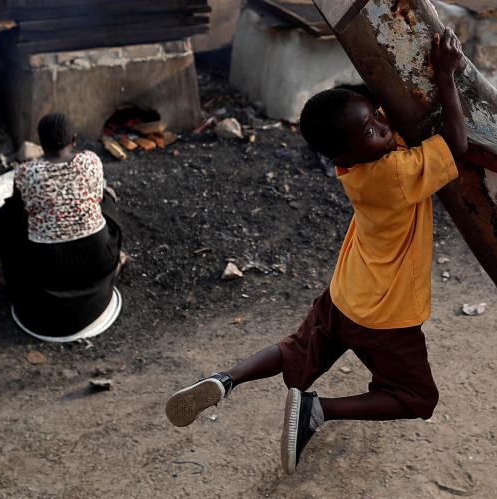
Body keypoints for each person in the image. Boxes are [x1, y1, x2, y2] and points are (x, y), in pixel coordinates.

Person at [165, 30, 468, 474]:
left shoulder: (354, 164)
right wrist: (446, 76)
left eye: (379, 119)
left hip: (345, 294)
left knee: (295, 350)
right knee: (417, 398)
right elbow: (457, 147)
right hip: (385, 314)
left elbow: (378, 123)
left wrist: (376, 117)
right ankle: (319, 410)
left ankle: (225, 379)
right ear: (347, 150)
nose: (384, 127)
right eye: (372, 129)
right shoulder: (396, 175)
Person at [0, 112, 122, 340]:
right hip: (98, 255)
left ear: (41, 144)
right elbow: (97, 196)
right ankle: (115, 263)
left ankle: (12, 281)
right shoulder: (90, 161)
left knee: (6, 219)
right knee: (107, 199)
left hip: (48, 265)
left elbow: (16, 211)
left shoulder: (25, 173)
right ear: (73, 139)